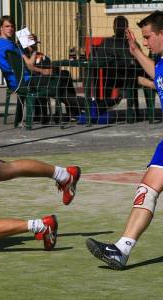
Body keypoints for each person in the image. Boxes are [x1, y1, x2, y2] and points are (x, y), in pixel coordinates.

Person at [86, 11, 163, 270]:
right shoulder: (160, 59)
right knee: (147, 189)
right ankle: (121, 249)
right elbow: (157, 75)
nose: (147, 42)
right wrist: (136, 52)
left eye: (149, 37)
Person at [0, 16, 82, 122]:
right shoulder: (1, 45)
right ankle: (85, 106)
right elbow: (15, 69)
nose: (10, 28)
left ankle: (76, 109)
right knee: (61, 79)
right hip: (22, 82)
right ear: (0, 29)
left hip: (29, 78)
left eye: (12, 26)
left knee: (64, 75)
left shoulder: (13, 45)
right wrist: (42, 71)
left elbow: (29, 63)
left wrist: (34, 48)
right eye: (7, 26)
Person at [94, 16, 145, 117]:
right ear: (127, 28)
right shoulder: (130, 44)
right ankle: (105, 103)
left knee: (101, 76)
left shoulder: (109, 42)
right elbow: (139, 63)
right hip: (124, 79)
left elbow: (97, 59)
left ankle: (102, 105)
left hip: (115, 80)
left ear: (114, 27)